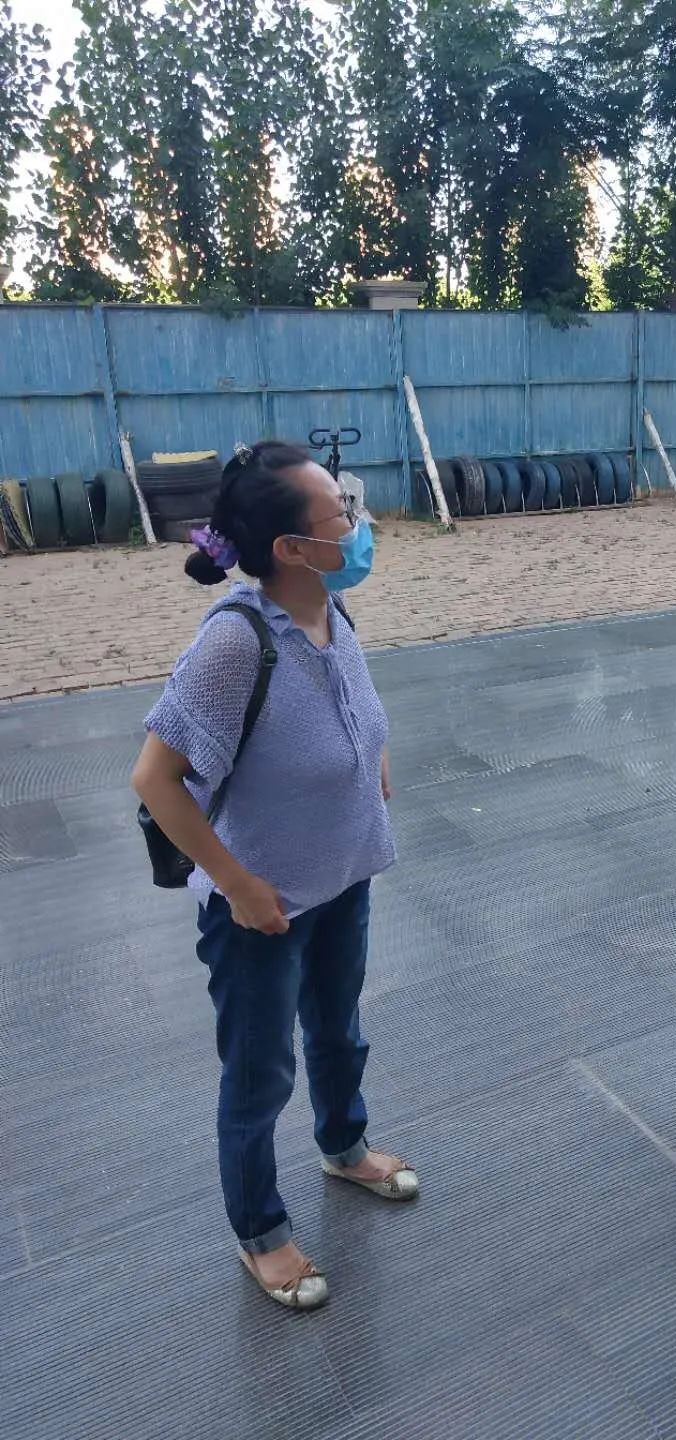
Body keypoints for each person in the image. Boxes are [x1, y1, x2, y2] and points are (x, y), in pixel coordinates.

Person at [132, 441, 417, 1311]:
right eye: (343, 514)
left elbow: (344, 708)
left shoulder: (331, 608)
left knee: (339, 1035)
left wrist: (370, 758)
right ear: (292, 548)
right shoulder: (234, 642)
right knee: (260, 1076)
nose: (359, 524)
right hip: (261, 911)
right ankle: (260, 1233)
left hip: (343, 880)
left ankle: (344, 1148)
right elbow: (155, 780)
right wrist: (239, 884)